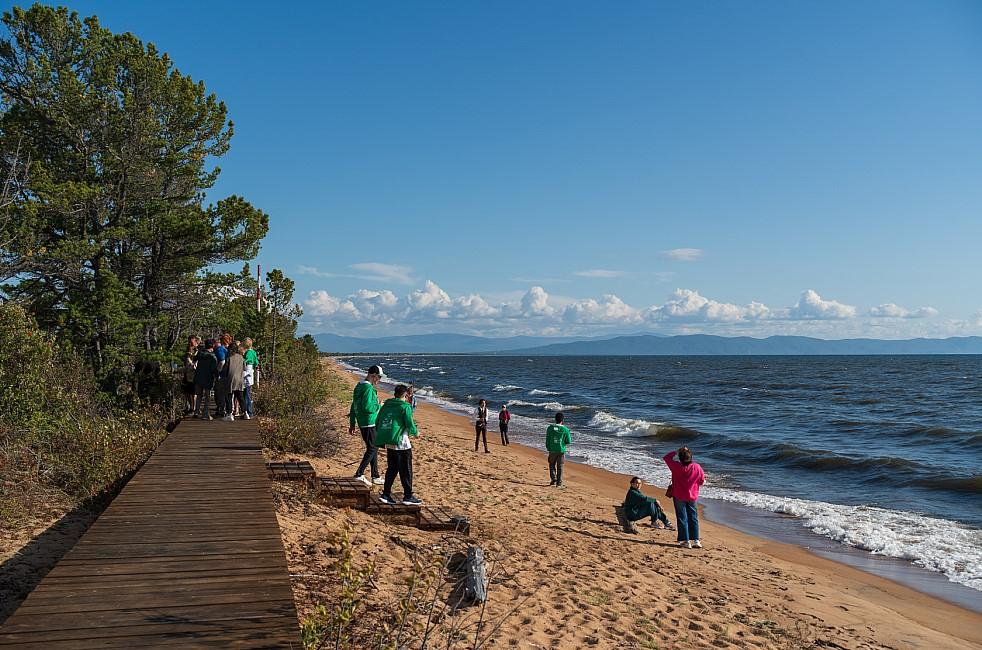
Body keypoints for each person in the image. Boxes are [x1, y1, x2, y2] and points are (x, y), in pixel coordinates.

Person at [374, 384, 421, 505]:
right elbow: (409, 423)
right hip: (401, 442)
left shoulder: (386, 405)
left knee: (392, 469)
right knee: (406, 470)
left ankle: (386, 494)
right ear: (405, 395)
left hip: (389, 441)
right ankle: (408, 496)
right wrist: (416, 433)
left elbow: (377, 421)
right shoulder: (405, 406)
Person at [663, 446, 706, 548]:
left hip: (679, 495)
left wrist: (677, 451)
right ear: (691, 457)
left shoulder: (676, 466)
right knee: (693, 517)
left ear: (680, 458)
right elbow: (701, 481)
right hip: (692, 496)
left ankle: (685, 540)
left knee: (682, 518)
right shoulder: (697, 467)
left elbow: (666, 458)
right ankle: (696, 540)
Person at [349, 365, 384, 487]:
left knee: (373, 447)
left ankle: (375, 475)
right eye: (379, 377)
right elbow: (368, 407)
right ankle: (359, 473)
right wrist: (379, 405)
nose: (379, 380)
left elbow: (353, 406)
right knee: (373, 448)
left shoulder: (359, 386)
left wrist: (352, 423)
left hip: (362, 422)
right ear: (373, 375)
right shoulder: (368, 388)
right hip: (369, 422)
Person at [193, 339, 218, 420]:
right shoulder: (212, 356)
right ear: (213, 346)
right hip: (208, 378)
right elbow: (213, 369)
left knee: (199, 395)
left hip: (198, 377)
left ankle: (196, 411)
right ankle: (205, 414)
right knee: (207, 397)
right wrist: (217, 376)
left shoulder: (200, 353)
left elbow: (194, 359)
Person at [545, 412, 572, 487]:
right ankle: (559, 482)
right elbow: (569, 441)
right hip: (561, 450)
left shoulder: (550, 428)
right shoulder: (565, 429)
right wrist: (563, 442)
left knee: (551, 464)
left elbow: (547, 439)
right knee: (560, 466)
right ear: (562, 420)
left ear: (555, 419)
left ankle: (553, 479)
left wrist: (548, 447)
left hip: (552, 449)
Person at [226, 343, 247, 421]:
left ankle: (230, 414)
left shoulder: (229, 358)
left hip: (231, 379)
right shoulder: (241, 357)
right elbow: (244, 368)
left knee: (229, 396)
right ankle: (245, 413)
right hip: (240, 379)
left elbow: (225, 369)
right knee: (240, 397)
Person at [213, 333, 231, 418]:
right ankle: (228, 409)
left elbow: (222, 361)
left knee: (220, 393)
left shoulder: (220, 349)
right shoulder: (230, 349)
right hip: (230, 374)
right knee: (227, 393)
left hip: (222, 375)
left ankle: (221, 409)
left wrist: (218, 370)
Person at [181, 335, 199, 415]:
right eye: (189, 342)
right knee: (187, 391)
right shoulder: (187, 351)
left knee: (194, 392)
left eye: (192, 342)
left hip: (194, 374)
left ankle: (194, 408)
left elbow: (195, 362)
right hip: (187, 374)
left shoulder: (198, 351)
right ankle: (191, 407)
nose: (190, 344)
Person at [243, 338, 259, 416]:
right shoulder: (253, 352)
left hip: (246, 373)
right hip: (250, 373)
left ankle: (248, 411)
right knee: (248, 393)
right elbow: (256, 362)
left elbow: (245, 361)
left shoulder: (248, 353)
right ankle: (248, 411)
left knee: (246, 394)